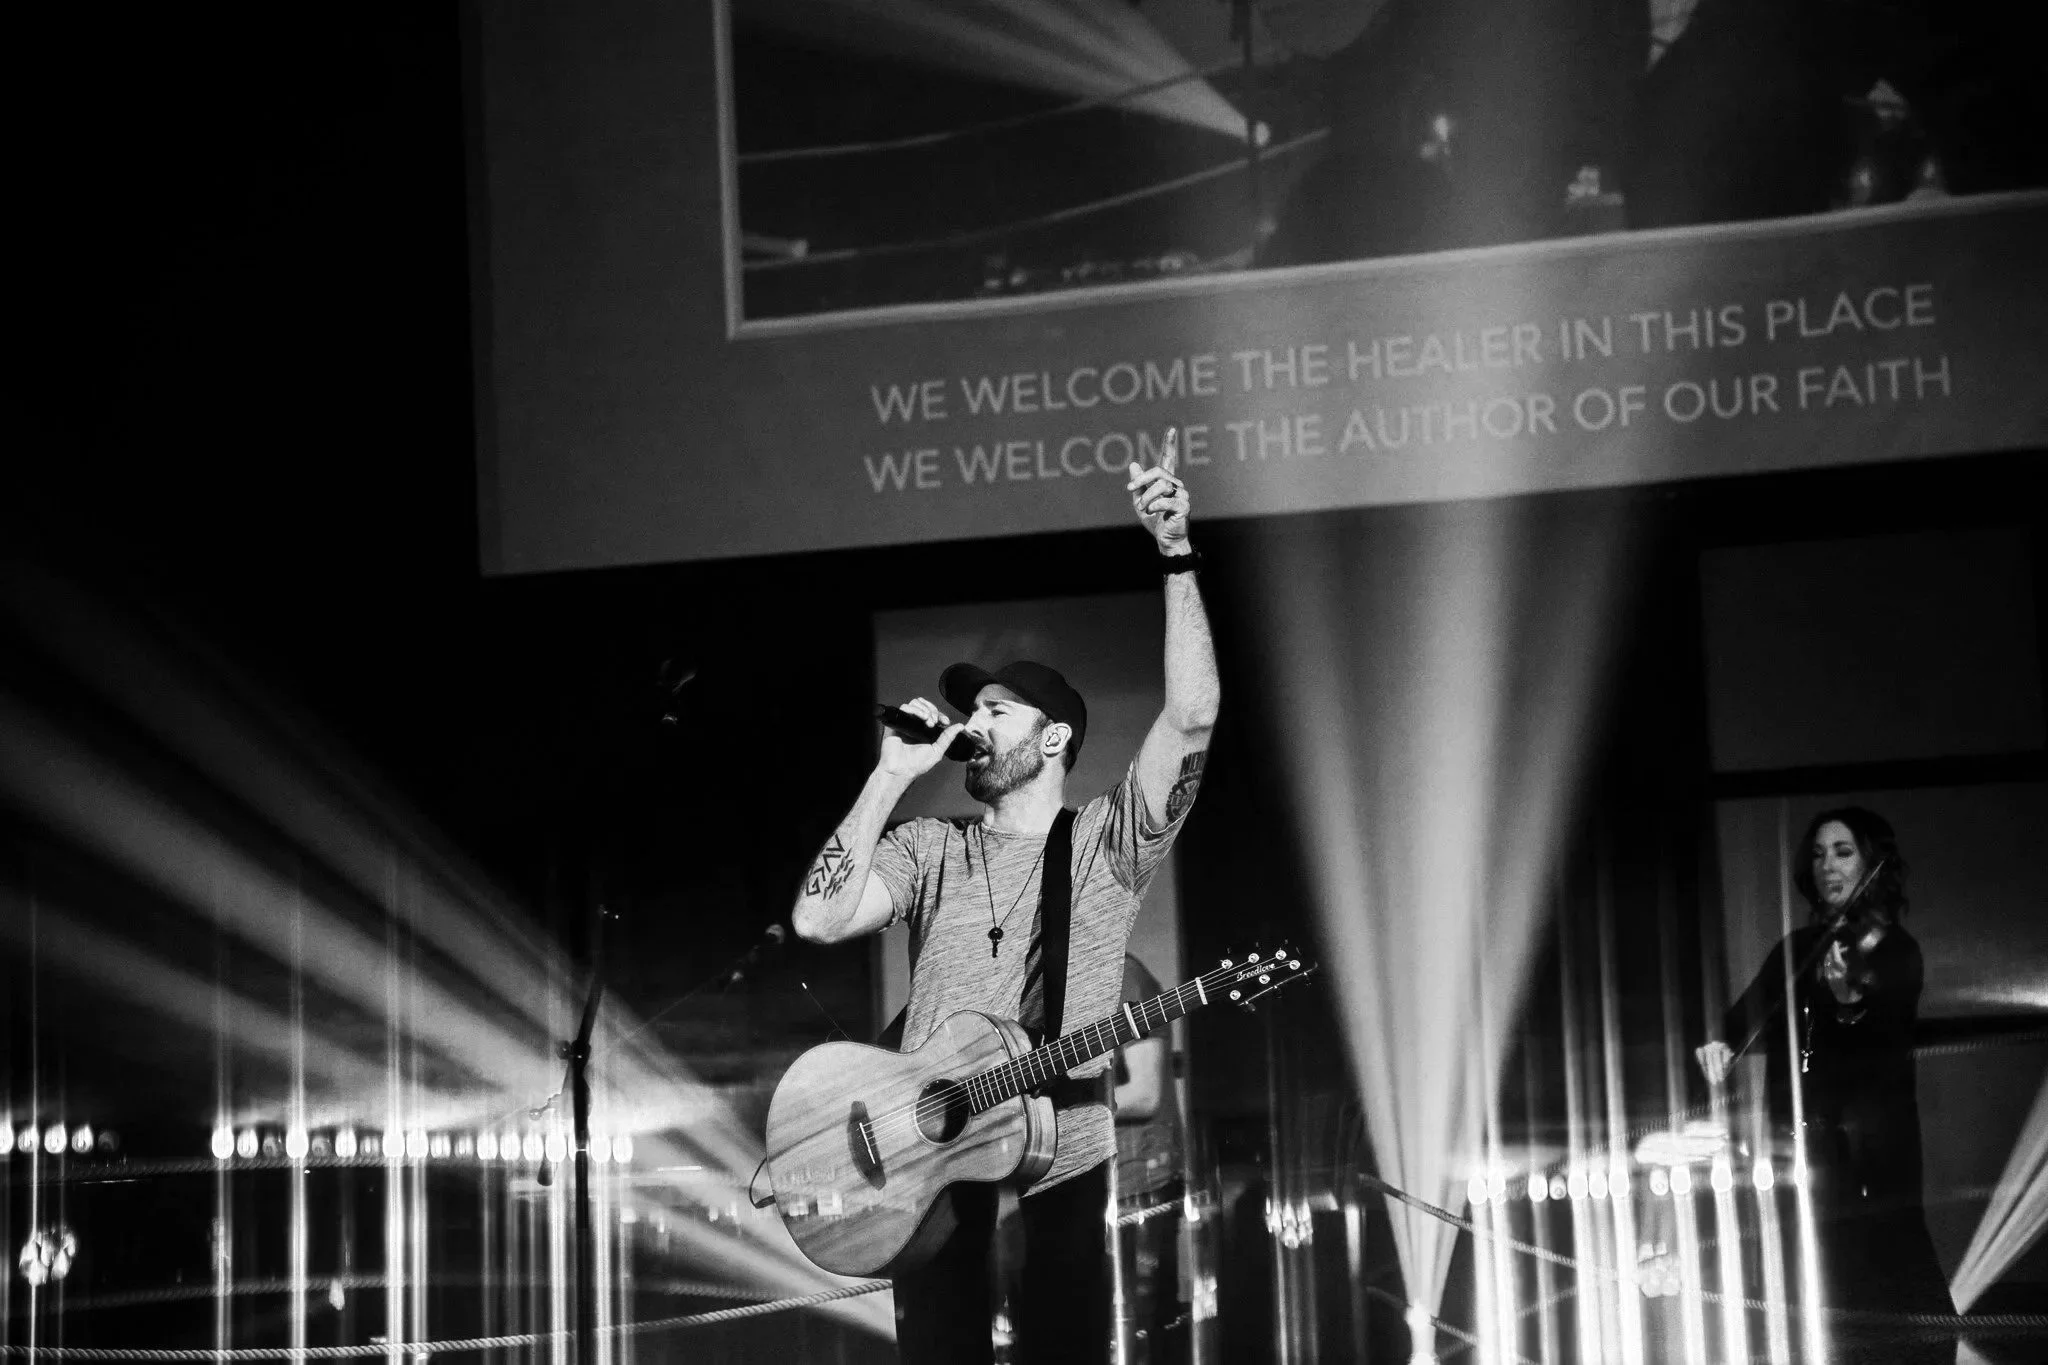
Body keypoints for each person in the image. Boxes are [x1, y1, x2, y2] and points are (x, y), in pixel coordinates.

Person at [791, 435, 1219, 1365]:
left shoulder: (1106, 840)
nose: (974, 725)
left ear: (1054, 734)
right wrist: (889, 773)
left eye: (996, 710)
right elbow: (819, 918)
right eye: (972, 711)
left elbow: (1190, 716)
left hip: (1059, 1151)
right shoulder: (930, 845)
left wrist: (1175, 551)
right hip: (931, 1162)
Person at [1695, 806, 1950, 1359]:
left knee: (1902, 1306)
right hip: (1798, 1158)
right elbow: (1741, 1021)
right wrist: (1720, 1044)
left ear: (1871, 862)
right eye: (1817, 854)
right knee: (1812, 1301)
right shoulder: (1795, 950)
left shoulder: (1896, 949)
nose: (1827, 867)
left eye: (1843, 851)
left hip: (1872, 1164)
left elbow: (1887, 1039)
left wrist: (1848, 1005)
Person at [1111, 953, 1187, 1365]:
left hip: (1139, 1184)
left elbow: (1144, 1094)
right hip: (1104, 1183)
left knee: (1137, 1336)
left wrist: (1051, 1107)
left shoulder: (1125, 977)